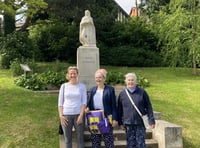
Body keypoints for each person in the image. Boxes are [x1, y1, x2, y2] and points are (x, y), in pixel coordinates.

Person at [117, 72, 155, 148]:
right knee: (130, 144)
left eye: (132, 80)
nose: (130, 82)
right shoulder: (122, 94)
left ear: (135, 81)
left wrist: (151, 121)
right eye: (129, 80)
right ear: (126, 81)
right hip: (128, 123)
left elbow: (149, 107)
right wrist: (120, 123)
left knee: (141, 143)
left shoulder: (142, 92)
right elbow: (119, 109)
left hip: (140, 123)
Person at [86, 69, 118, 148]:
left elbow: (114, 105)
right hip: (94, 117)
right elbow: (89, 103)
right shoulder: (92, 90)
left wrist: (114, 119)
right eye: (96, 78)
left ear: (104, 78)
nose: (98, 79)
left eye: (100, 77)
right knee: (95, 140)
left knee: (108, 140)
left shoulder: (110, 89)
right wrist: (87, 108)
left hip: (106, 118)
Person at [58, 66, 87, 148]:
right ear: (68, 75)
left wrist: (81, 115)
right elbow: (60, 103)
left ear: (77, 74)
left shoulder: (82, 86)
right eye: (71, 73)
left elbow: (84, 102)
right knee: (67, 140)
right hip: (66, 116)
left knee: (80, 139)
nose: (73, 75)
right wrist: (61, 116)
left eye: (74, 73)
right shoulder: (64, 86)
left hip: (79, 115)